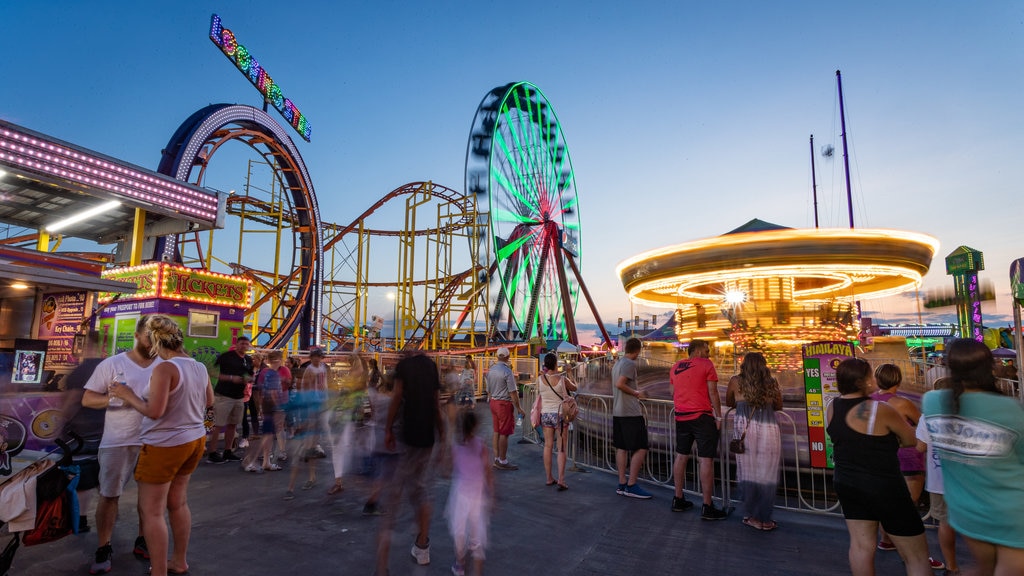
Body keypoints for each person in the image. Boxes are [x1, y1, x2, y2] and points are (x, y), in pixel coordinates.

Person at [108, 314, 214, 576]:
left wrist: (126, 394)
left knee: (152, 511)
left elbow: (154, 411)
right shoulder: (198, 366)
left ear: (155, 341)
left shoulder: (165, 369)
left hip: (164, 444)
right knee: (178, 503)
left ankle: (158, 571)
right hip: (194, 440)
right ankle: (179, 561)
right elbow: (209, 400)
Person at [921, 338, 1024, 576]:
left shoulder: (932, 402)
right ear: (990, 366)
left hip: (967, 513)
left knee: (986, 569)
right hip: (1011, 513)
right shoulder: (1007, 408)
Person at [826, 357, 931, 576]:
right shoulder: (880, 409)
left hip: (846, 482)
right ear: (862, 381)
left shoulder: (832, 407)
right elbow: (910, 439)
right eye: (870, 375)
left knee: (861, 546)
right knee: (916, 556)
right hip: (884, 485)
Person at [81, 316, 160, 574]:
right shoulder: (112, 364)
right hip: (118, 440)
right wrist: (111, 398)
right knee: (109, 494)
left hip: (153, 441)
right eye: (150, 337)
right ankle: (103, 546)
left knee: (149, 499)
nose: (153, 343)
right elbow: (87, 399)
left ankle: (143, 539)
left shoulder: (164, 366)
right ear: (137, 336)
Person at [375, 352, 445, 574]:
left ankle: (382, 566)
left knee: (393, 499)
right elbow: (436, 404)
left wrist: (387, 429)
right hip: (426, 437)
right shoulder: (430, 366)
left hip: (406, 435)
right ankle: (422, 546)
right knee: (422, 490)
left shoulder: (403, 366)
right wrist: (442, 436)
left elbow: (396, 396)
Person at [870, 363, 941, 570]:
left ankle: (886, 539)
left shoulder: (870, 401)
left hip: (883, 458)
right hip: (908, 456)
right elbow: (922, 424)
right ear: (898, 380)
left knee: (888, 502)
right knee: (909, 507)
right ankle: (913, 554)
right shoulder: (903, 403)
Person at [725, 352, 783, 531]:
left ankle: (751, 516)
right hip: (769, 429)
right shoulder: (771, 382)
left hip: (745, 429)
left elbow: (729, 401)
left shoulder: (736, 381)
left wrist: (743, 403)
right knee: (767, 473)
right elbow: (779, 405)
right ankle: (765, 518)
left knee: (748, 472)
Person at [668, 339, 726, 519]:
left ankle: (678, 498)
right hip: (702, 417)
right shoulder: (706, 364)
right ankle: (707, 505)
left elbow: (672, 392)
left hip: (681, 416)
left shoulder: (675, 366)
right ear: (699, 350)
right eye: (707, 350)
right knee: (706, 460)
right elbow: (713, 392)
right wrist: (718, 415)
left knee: (681, 455)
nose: (709, 354)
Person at [915, 387, 962, 576]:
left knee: (945, 521)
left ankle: (952, 566)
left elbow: (920, 447)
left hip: (939, 480)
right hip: (968, 480)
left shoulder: (928, 417)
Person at [447, 410, 493, 576]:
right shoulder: (481, 446)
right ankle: (477, 572)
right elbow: (488, 472)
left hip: (460, 495)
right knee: (477, 533)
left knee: (460, 531)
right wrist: (493, 495)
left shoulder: (456, 447)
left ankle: (460, 564)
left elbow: (447, 470)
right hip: (478, 496)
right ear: (476, 426)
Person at [612, 338, 652, 499]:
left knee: (621, 448)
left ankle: (622, 483)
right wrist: (637, 393)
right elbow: (620, 384)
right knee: (641, 447)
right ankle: (632, 484)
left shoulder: (617, 364)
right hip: (630, 412)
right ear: (637, 350)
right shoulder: (629, 364)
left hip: (618, 411)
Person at [208, 336, 253, 463]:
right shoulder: (226, 356)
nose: (244, 346)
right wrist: (230, 378)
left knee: (233, 424)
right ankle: (212, 452)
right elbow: (212, 371)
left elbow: (251, 374)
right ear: (237, 344)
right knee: (218, 424)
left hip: (239, 397)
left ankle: (228, 451)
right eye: (242, 343)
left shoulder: (248, 359)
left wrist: (248, 379)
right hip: (224, 395)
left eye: (246, 344)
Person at [241, 350, 285, 473]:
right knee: (266, 435)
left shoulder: (267, 373)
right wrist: (279, 409)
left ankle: (266, 461)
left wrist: (261, 407)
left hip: (266, 406)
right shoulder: (273, 374)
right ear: (277, 360)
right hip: (272, 407)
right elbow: (273, 393)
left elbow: (262, 392)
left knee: (269, 435)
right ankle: (251, 461)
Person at [537, 352, 576, 491]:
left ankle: (549, 478)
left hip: (545, 414)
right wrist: (570, 372)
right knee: (561, 448)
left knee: (547, 446)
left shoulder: (540, 379)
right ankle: (561, 479)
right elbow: (575, 388)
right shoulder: (562, 379)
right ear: (555, 364)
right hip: (559, 415)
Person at [485, 348, 524, 470]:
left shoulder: (491, 371)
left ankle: (496, 458)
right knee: (504, 433)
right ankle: (503, 460)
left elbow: (489, 390)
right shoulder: (507, 372)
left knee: (496, 431)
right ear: (507, 357)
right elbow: (513, 392)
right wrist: (519, 408)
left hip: (493, 402)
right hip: (503, 404)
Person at [239, 352, 265, 449]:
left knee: (257, 411)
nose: (252, 361)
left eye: (254, 359)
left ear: (259, 360)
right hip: (248, 392)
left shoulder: (263, 369)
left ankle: (260, 432)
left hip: (257, 392)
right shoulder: (250, 368)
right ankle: (254, 433)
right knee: (250, 413)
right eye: (252, 359)